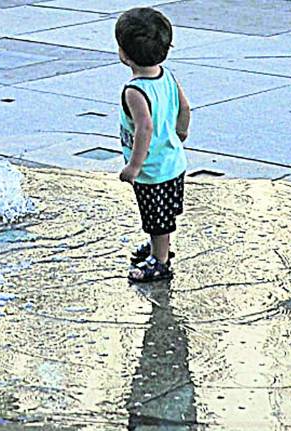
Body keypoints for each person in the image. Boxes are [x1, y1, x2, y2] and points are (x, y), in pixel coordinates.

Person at [115, 7, 191, 282]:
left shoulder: (135, 91)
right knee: (164, 212)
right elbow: (185, 106)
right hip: (173, 161)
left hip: (153, 169)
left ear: (124, 54)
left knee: (156, 217)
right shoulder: (166, 75)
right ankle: (160, 246)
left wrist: (134, 166)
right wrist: (180, 133)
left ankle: (160, 261)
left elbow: (144, 128)